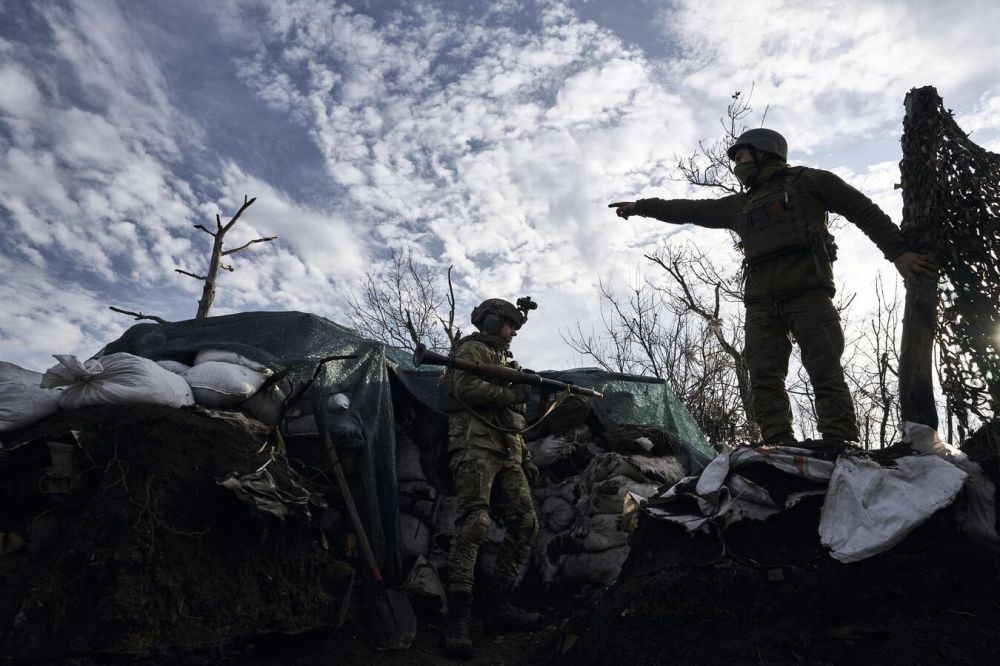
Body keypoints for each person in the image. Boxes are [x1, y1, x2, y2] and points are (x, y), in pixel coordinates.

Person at [609, 128, 937, 446]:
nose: (738, 164)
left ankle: (840, 441)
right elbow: (689, 210)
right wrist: (642, 207)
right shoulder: (740, 205)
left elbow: (862, 210)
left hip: (808, 294)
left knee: (824, 369)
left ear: (764, 153)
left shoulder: (810, 182)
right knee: (763, 376)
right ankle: (777, 443)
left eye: (742, 156)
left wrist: (898, 253)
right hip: (761, 304)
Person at [442, 298, 541, 659]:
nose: (513, 332)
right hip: (475, 446)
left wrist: (524, 456)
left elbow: (514, 419)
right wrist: (512, 393)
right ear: (493, 321)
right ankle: (457, 620)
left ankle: (499, 606)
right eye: (509, 324)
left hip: (507, 451)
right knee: (475, 524)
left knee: (526, 523)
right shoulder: (471, 350)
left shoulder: (506, 362)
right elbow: (465, 389)